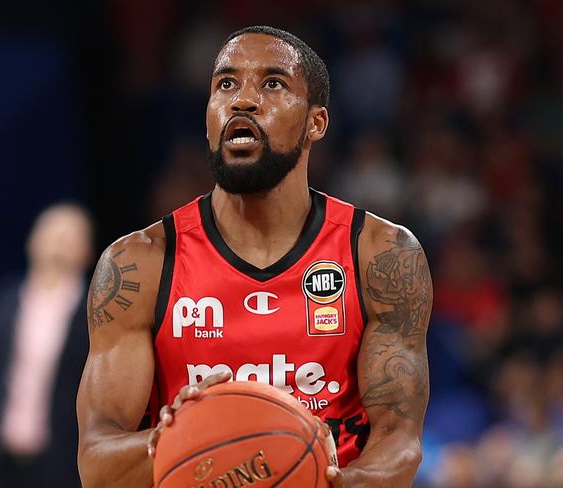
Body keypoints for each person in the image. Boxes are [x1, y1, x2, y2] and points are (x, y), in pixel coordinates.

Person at [77, 25, 433, 487]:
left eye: (272, 83)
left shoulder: (379, 253)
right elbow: (95, 463)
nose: (242, 100)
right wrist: (180, 435)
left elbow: (399, 439)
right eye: (225, 84)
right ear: (207, 118)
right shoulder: (138, 264)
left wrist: (339, 480)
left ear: (316, 123)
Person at [0, 203, 93, 488]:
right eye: (52, 234)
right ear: (33, 240)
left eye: (69, 237)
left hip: (61, 460)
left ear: (86, 250)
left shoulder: (92, 311)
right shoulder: (5, 300)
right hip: (0, 454)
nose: (58, 244)